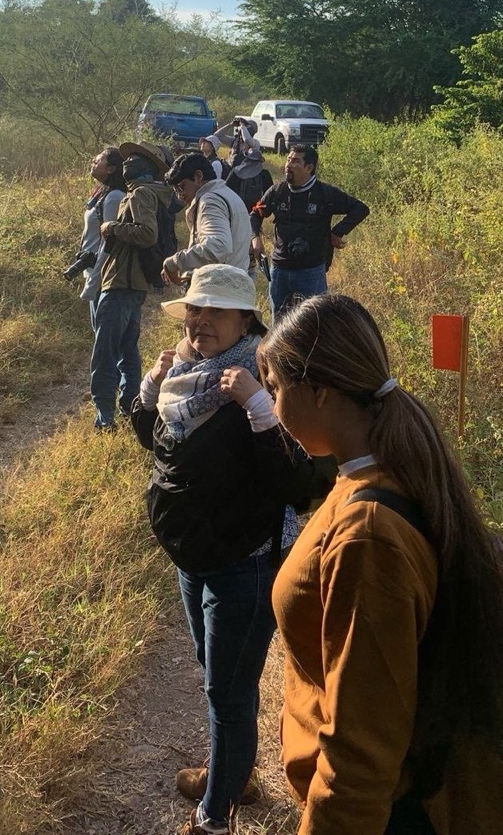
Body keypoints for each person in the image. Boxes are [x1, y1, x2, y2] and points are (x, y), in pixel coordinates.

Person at [257, 293, 503, 835]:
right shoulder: (378, 471)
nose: (273, 406)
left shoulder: (368, 538)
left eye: (276, 389)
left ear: (321, 392)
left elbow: (360, 758)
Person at [128, 264, 315, 835]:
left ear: (245, 320)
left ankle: (215, 814)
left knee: (227, 690)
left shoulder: (264, 377)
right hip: (195, 559)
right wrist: (149, 392)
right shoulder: (185, 374)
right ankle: (234, 774)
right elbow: (165, 456)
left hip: (245, 565)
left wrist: (261, 408)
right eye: (194, 309)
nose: (201, 320)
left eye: (216, 311)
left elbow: (302, 485)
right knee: (219, 676)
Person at [91, 140, 169, 432]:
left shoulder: (140, 194)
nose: (128, 163)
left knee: (106, 351)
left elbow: (147, 234)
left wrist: (113, 228)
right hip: (131, 283)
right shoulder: (148, 193)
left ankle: (105, 417)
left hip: (122, 282)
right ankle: (130, 406)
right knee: (127, 349)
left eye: (134, 159)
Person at [250, 143, 369, 319]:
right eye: (288, 159)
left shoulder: (325, 194)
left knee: (315, 323)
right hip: (279, 269)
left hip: (311, 271)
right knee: (280, 324)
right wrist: (255, 238)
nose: (288, 165)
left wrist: (337, 232)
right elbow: (255, 214)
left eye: (295, 161)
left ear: (309, 168)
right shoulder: (277, 191)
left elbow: (360, 209)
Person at [161, 151, 253, 286]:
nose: (180, 196)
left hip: (218, 293)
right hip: (232, 287)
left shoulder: (210, 201)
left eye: (181, 187)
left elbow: (218, 247)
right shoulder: (227, 194)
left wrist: (174, 262)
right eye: (176, 191)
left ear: (198, 177)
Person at [76, 147, 126, 319]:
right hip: (95, 271)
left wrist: (93, 283)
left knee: (104, 338)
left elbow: (109, 243)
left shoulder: (114, 197)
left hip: (104, 276)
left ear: (111, 169)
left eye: (99, 160)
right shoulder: (103, 193)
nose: (94, 161)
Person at [208, 118, 270, 212]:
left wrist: (243, 126)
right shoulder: (234, 141)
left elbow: (248, 140)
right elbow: (217, 136)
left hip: (245, 174)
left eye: (246, 127)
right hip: (231, 172)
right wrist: (230, 124)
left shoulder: (255, 143)